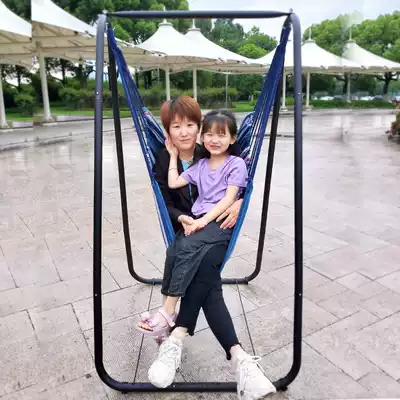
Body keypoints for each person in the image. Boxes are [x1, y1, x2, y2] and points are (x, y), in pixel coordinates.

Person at [140, 96, 276, 399]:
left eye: (190, 125)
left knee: (194, 259)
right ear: (167, 131)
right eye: (176, 126)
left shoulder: (213, 149)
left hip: (216, 226)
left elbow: (242, 182)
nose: (184, 132)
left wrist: (240, 202)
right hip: (187, 226)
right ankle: (240, 359)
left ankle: (173, 331)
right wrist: (183, 218)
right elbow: (166, 196)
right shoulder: (164, 158)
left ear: (198, 128)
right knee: (204, 272)